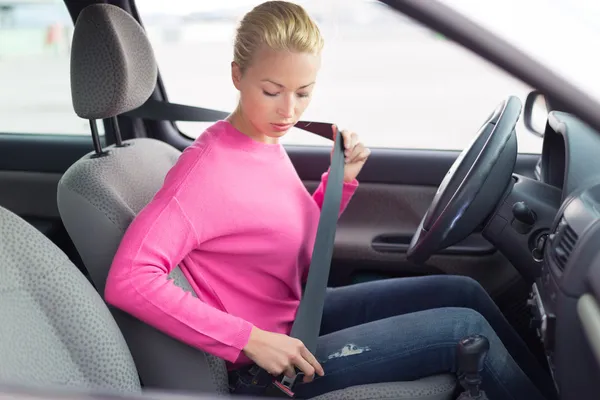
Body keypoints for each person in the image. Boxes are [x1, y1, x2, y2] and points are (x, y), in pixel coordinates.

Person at [104, 2, 557, 399]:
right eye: (271, 90)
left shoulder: (264, 142)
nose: (289, 111)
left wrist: (342, 179)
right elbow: (129, 278)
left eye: (303, 93)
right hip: (269, 365)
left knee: (464, 291)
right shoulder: (203, 172)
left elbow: (297, 241)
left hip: (300, 314)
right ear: (237, 75)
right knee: (464, 331)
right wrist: (249, 340)